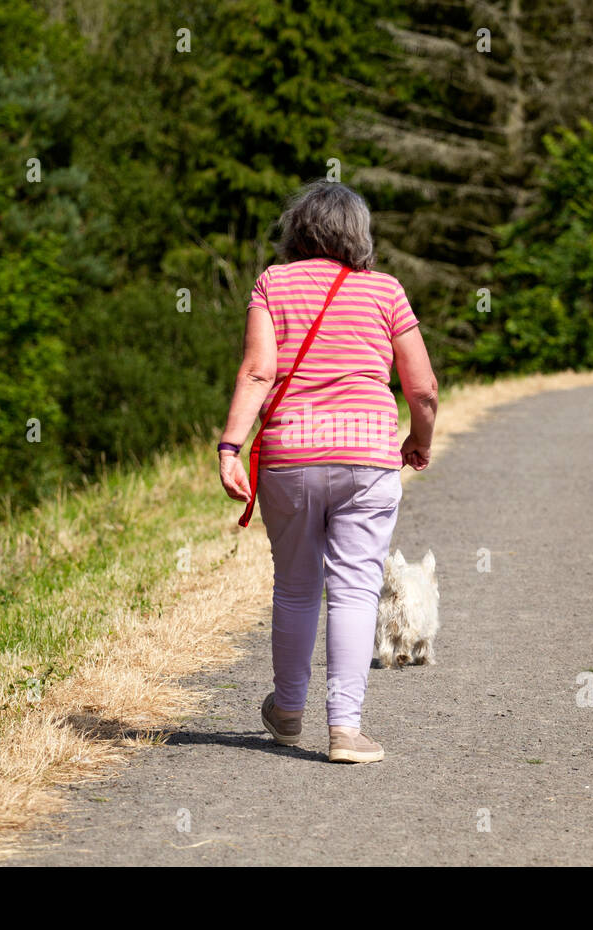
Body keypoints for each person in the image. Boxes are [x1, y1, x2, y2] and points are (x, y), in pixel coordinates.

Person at [217, 181, 438, 763]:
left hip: (290, 456)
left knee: (295, 587)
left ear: (298, 230)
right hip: (367, 454)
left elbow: (258, 372)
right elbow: (423, 386)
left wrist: (230, 445)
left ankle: (288, 710)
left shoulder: (273, 282)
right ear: (359, 235)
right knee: (354, 588)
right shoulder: (386, 291)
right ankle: (345, 730)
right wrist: (419, 437)